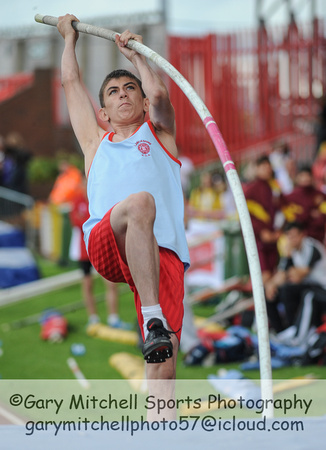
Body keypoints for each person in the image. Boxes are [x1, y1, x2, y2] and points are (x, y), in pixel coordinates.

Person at [57, 15, 190, 383]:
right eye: (113, 92)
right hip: (108, 242)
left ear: (143, 102)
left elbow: (161, 95)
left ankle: (158, 432)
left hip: (162, 252)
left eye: (130, 88)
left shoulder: (161, 135)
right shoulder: (94, 144)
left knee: (164, 367)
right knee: (140, 202)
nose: (123, 95)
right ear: (103, 112)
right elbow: (70, 82)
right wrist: (69, 40)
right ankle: (152, 318)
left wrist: (138, 58)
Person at [69, 180, 132, 329]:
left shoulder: (100, 198)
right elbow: (77, 221)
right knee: (87, 284)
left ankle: (113, 317)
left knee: (110, 283)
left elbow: (107, 219)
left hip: (101, 245)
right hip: (84, 250)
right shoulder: (78, 201)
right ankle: (93, 318)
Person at [265, 221, 326, 333]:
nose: (292, 239)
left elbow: (301, 274)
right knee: (270, 293)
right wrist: (271, 285)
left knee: (287, 290)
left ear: (302, 235)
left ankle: (294, 330)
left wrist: (287, 264)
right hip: (306, 285)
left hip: (320, 287)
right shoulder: (290, 250)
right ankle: (280, 331)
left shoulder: (312, 247)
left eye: (294, 236)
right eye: (289, 236)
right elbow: (282, 273)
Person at [243, 155, 281, 284]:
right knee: (262, 276)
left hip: (274, 237)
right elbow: (245, 215)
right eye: (263, 166)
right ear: (257, 169)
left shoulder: (274, 188)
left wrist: (279, 231)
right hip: (258, 239)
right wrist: (261, 231)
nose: (266, 169)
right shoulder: (251, 189)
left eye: (268, 166)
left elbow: (282, 210)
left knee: (272, 275)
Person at [282, 165, 326, 243]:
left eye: (308, 175)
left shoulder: (320, 196)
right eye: (302, 175)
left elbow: (323, 216)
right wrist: (309, 214)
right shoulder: (289, 197)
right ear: (297, 177)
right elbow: (292, 218)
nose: (305, 178)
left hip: (318, 237)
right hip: (297, 239)